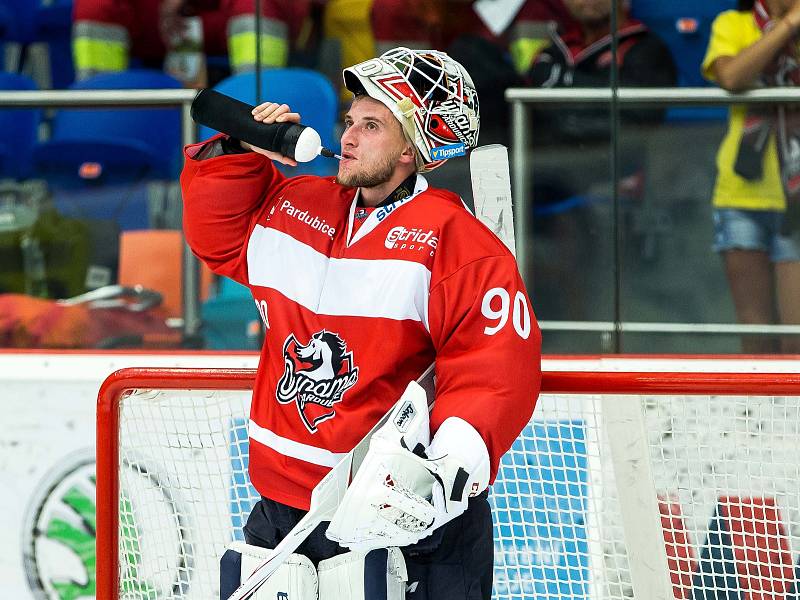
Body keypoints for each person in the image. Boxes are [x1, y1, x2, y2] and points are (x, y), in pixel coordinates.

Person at [181, 47, 541, 599]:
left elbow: (493, 367)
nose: (347, 137)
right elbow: (218, 236)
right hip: (282, 516)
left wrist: (445, 470)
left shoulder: (458, 240)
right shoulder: (299, 204)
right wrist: (237, 150)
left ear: (417, 144)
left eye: (371, 125)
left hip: (403, 525)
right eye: (350, 122)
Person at [522, 0, 677, 322]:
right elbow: (531, 117)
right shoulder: (554, 50)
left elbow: (636, 118)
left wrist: (565, 89)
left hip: (617, 190)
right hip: (549, 189)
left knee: (614, 297)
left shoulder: (646, 48)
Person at [702, 0, 800, 354]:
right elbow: (731, 76)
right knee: (755, 333)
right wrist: (788, 26)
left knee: (795, 338)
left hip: (797, 200)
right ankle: (759, 410)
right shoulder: (734, 23)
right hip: (741, 194)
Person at [72, 0, 314, 86]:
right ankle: (95, 112)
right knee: (95, 4)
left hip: (228, 13)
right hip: (157, 19)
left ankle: (259, 117)